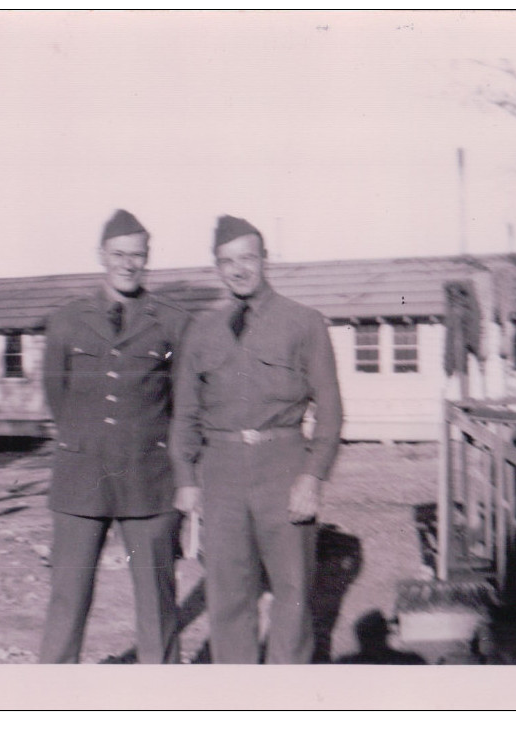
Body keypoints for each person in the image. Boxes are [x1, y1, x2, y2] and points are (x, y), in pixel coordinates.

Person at [170, 214, 343, 664]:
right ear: (217, 267)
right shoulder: (201, 331)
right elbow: (185, 411)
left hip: (283, 463)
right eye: (227, 261)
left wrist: (313, 476)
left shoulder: (303, 322)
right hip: (221, 472)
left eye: (247, 257)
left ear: (265, 259)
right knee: (228, 595)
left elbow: (330, 408)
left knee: (293, 591)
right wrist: (186, 477)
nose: (238, 269)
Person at [39, 209, 190, 664]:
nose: (128, 263)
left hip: (150, 478)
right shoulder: (66, 319)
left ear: (148, 259)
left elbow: (182, 405)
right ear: (101, 256)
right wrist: (90, 439)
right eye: (119, 254)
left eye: (137, 255)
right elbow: (56, 395)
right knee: (67, 600)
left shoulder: (172, 322)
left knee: (157, 605)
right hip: (81, 475)